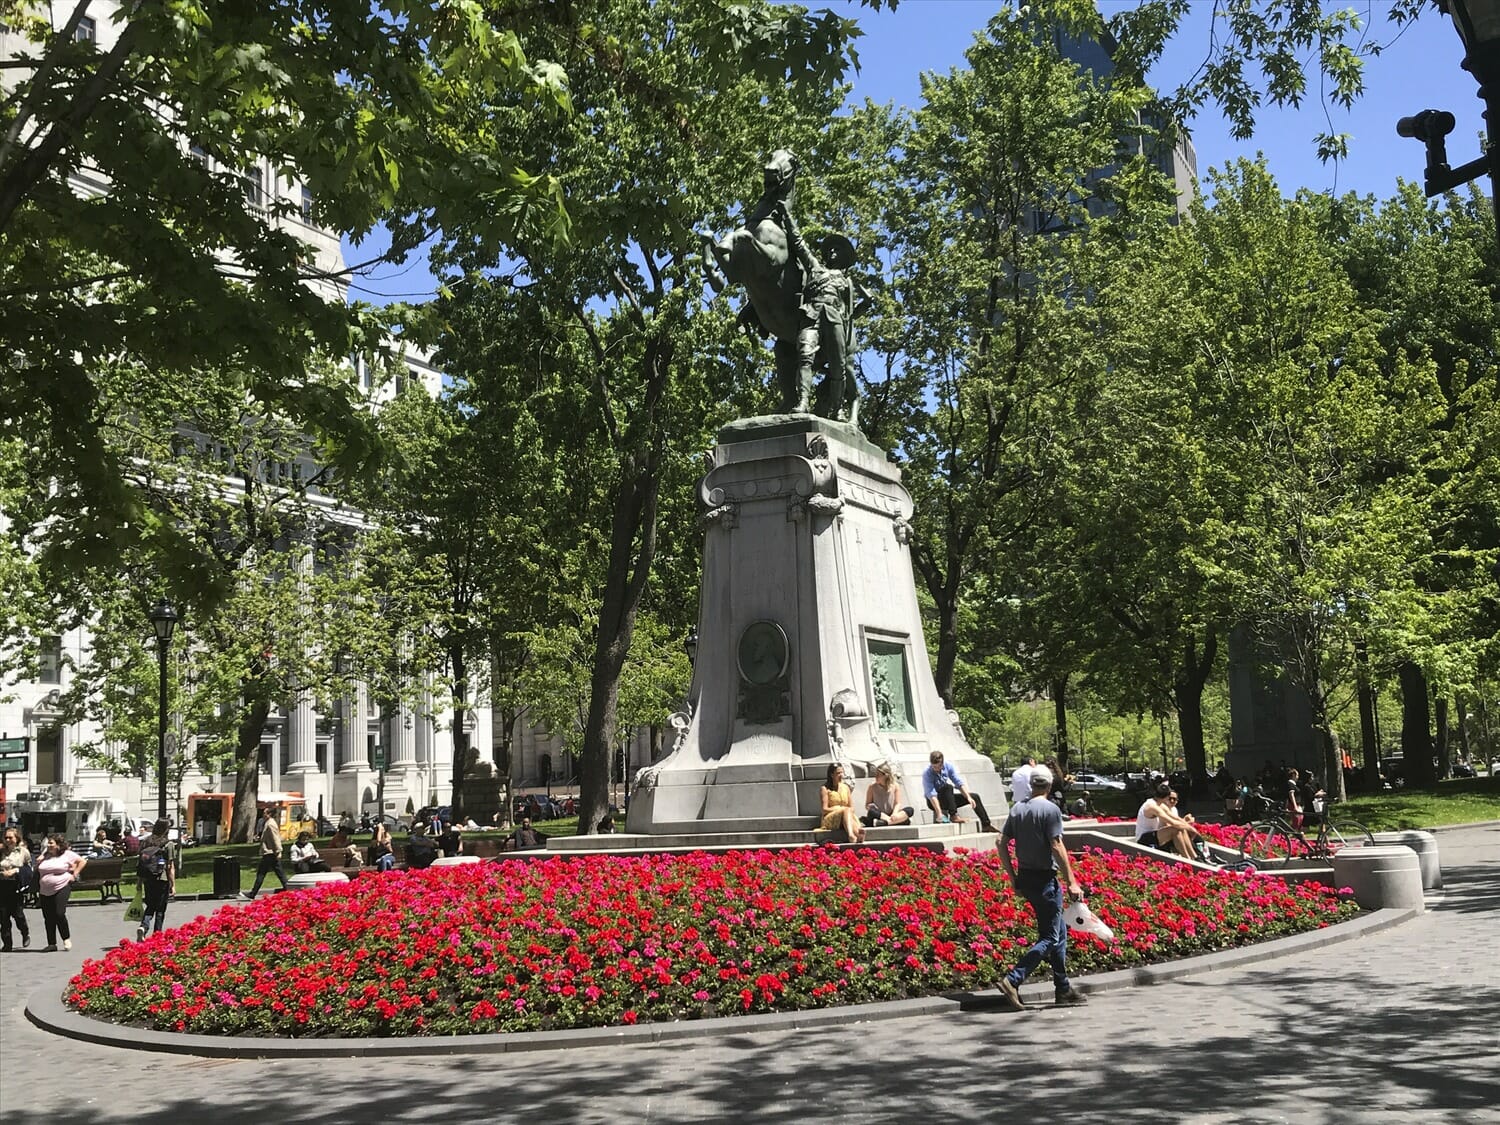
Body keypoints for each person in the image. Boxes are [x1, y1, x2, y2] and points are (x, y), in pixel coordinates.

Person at [995, 767, 1086, 1009]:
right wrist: (1072, 881)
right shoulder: (1050, 810)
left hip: (1026, 877)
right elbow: (1056, 845)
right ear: (1049, 786)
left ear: (1031, 785)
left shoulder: (1017, 809)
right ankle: (1013, 980)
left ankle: (1063, 988)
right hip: (1046, 880)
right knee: (1050, 936)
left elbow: (1001, 843)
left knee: (1059, 934)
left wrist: (1013, 878)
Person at [36, 833, 86, 951]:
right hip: (44, 889)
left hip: (62, 886)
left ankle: (66, 938)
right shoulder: (45, 855)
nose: (48, 845)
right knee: (48, 916)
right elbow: (38, 869)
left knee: (59, 913)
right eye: (48, 843)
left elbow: (82, 861)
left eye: (51, 843)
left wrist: (74, 874)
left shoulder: (67, 854)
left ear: (58, 845)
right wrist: (39, 861)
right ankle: (52, 943)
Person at [923, 750, 994, 831]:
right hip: (933, 802)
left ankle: (986, 825)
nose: (936, 769)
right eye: (934, 767)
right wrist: (939, 814)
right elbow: (932, 795)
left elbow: (958, 782)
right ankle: (953, 816)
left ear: (942, 764)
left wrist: (968, 797)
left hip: (947, 799)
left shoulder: (948, 766)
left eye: (938, 767)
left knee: (974, 797)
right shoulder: (927, 773)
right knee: (948, 787)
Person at [136, 818, 176, 940]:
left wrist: (139, 882)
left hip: (148, 878)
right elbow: (170, 866)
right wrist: (172, 884)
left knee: (150, 905)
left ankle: (144, 926)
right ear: (165, 829)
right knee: (160, 909)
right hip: (161, 878)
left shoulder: (145, 842)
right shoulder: (168, 844)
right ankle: (157, 935)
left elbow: (141, 863)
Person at [1135, 782, 1198, 859]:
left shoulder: (1159, 804)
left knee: (1180, 829)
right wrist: (1191, 828)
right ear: (1166, 797)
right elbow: (1172, 822)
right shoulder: (1151, 806)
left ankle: (1194, 857)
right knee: (1175, 829)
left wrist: (1186, 824)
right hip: (1143, 838)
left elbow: (1176, 818)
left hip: (1154, 835)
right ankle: (1187, 858)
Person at [0, 826, 32, 951]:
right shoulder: (1, 851)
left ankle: (25, 933)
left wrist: (16, 870)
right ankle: (7, 943)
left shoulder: (23, 852)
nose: (8, 840)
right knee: (3, 916)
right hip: (2, 886)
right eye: (6, 837)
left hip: (15, 886)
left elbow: (29, 869)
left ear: (16, 838)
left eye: (10, 837)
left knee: (18, 915)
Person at [819, 764, 866, 843]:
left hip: (846, 816)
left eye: (842, 773)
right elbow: (824, 810)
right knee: (846, 810)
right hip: (830, 817)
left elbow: (852, 808)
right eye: (838, 773)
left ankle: (857, 835)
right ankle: (852, 834)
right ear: (831, 775)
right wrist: (838, 809)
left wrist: (845, 810)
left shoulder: (846, 787)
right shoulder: (825, 789)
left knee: (847, 811)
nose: (841, 775)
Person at [246, 811, 288, 898]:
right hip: (269, 852)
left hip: (270, 853)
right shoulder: (267, 823)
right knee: (278, 873)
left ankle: (253, 893)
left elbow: (275, 838)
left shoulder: (270, 824)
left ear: (269, 814)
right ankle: (289, 889)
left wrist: (278, 850)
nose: (263, 815)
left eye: (265, 813)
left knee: (263, 873)